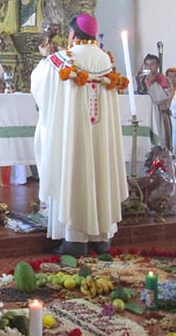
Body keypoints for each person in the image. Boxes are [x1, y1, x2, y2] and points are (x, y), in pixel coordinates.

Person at [32, 13, 128, 256]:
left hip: (72, 137)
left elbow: (38, 86)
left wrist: (45, 58)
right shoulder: (106, 59)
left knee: (73, 174)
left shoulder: (61, 60)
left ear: (73, 34)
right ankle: (101, 238)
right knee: (100, 172)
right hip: (100, 136)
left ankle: (74, 240)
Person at [136, 54, 170, 146]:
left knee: (158, 142)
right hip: (145, 114)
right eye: (147, 65)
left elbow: (160, 99)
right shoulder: (143, 78)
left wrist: (153, 82)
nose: (149, 67)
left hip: (158, 114)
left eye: (152, 64)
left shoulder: (162, 78)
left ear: (158, 65)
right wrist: (138, 80)